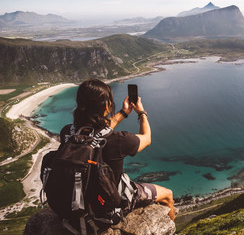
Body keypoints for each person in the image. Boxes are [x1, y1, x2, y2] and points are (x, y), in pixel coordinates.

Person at [59, 78, 175, 221]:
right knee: (168, 195)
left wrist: (124, 112)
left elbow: (99, 131)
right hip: (109, 202)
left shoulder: (67, 133)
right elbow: (147, 138)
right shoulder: (119, 140)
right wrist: (141, 113)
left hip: (77, 198)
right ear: (107, 107)